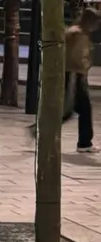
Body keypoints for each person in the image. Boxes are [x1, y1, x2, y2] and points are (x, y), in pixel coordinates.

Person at [30, 8, 100, 153]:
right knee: (71, 109)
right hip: (74, 75)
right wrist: (84, 65)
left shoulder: (78, 32)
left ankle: (83, 141)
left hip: (75, 75)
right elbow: (75, 56)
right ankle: (83, 142)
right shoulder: (77, 33)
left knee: (77, 109)